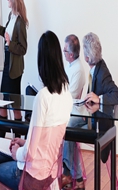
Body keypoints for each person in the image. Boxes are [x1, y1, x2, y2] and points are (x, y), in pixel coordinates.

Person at [0, 30, 73, 190]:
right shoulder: (67, 94)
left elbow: (29, 154)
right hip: (50, 171)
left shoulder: (43, 97)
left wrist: (17, 151)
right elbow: (48, 141)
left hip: (32, 175)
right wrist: (25, 142)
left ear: (41, 61)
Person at [62, 32, 118, 190]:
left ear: (86, 57)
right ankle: (75, 177)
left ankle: (70, 173)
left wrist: (99, 98)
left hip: (99, 124)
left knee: (68, 129)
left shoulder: (102, 74)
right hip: (89, 116)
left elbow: (116, 94)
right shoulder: (96, 68)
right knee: (68, 128)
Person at [0, 0, 28, 138]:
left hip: (14, 69)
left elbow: (23, 49)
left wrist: (9, 43)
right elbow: (6, 34)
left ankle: (17, 139)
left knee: (14, 104)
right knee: (4, 101)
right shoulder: (11, 17)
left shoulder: (20, 22)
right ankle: (2, 138)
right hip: (7, 64)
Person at [61, 35, 86, 189]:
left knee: (66, 128)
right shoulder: (70, 66)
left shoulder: (78, 70)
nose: (63, 53)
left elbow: (69, 97)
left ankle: (70, 174)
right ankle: (72, 175)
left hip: (75, 112)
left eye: (64, 51)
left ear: (70, 54)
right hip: (66, 108)